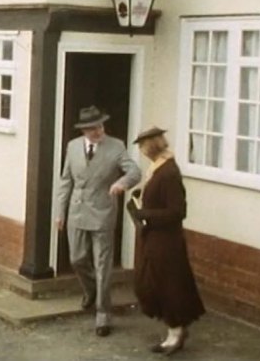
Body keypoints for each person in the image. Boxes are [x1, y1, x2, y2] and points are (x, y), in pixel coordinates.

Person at [55, 105, 141, 337]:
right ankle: (91, 290)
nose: (98, 131)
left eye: (100, 126)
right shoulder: (72, 147)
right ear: (83, 130)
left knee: (103, 265)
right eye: (93, 128)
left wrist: (121, 183)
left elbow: (135, 171)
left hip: (103, 213)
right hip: (76, 211)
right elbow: (65, 181)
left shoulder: (116, 146)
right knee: (77, 259)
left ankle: (103, 313)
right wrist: (60, 212)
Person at [129, 126, 205, 355]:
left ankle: (175, 332)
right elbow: (157, 197)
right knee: (151, 284)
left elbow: (177, 211)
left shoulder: (169, 172)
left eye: (142, 146)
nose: (141, 151)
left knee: (166, 285)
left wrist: (146, 214)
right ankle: (175, 327)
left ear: (151, 146)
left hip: (167, 241)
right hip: (154, 237)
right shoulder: (157, 169)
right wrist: (140, 197)